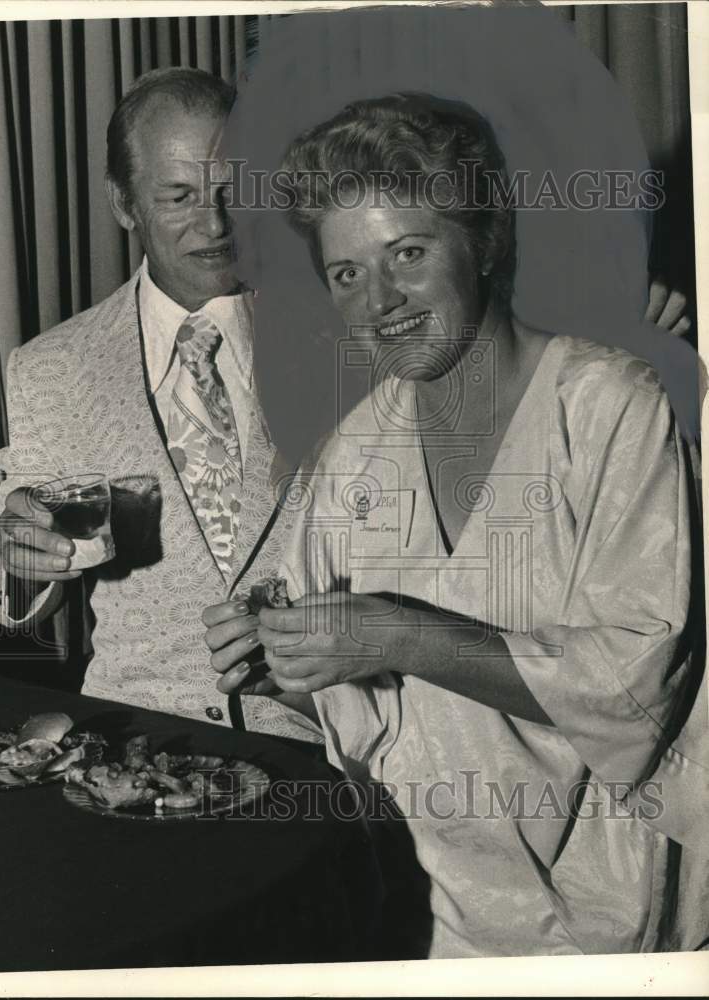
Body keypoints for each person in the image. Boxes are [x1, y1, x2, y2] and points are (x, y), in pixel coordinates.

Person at [203, 94, 706, 955]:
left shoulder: (612, 408)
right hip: (450, 910)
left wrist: (395, 631)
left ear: (484, 240)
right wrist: (285, 664)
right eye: (346, 272)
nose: (378, 301)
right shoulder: (351, 457)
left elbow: (637, 683)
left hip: (622, 911)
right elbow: (369, 720)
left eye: (407, 252)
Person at [0, 68, 318, 742]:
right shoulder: (51, 367)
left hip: (321, 751)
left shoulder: (346, 334)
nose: (214, 223)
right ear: (125, 205)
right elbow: (10, 578)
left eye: (230, 190)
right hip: (137, 750)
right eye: (179, 197)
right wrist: (18, 553)